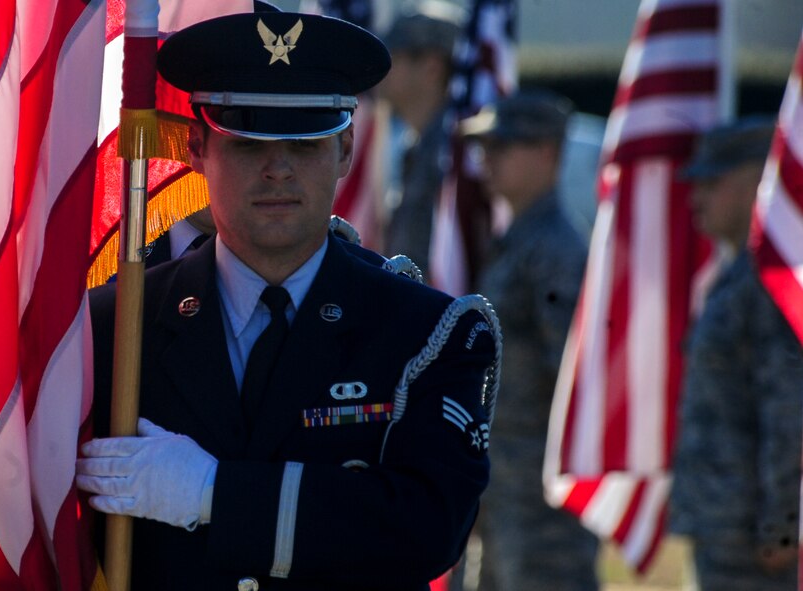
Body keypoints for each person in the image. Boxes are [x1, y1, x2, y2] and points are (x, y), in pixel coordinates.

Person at [76, 8, 499, 591]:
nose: (278, 169)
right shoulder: (113, 327)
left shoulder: (427, 335)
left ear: (345, 150)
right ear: (196, 148)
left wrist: (212, 494)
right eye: (248, 140)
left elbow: (430, 528)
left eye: (304, 142)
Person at [462, 91, 599, 591]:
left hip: (543, 499)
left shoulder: (555, 249)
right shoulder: (519, 240)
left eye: (504, 146)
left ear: (548, 153)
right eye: (484, 148)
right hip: (506, 485)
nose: (488, 161)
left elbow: (574, 378)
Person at [669, 117, 803, 591]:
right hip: (726, 525)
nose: (695, 198)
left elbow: (789, 409)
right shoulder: (740, 277)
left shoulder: (772, 285)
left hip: (752, 537)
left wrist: (783, 526)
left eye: (712, 182)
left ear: (758, 179)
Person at [378, 6, 461, 277]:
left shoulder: (457, 156)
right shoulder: (416, 144)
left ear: (431, 67)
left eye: (391, 58)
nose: (379, 69)